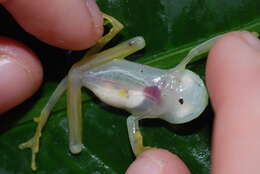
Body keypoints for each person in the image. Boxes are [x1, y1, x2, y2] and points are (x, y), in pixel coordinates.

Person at [1, 1, 260, 173]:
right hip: (92, 70)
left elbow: (131, 123)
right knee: (104, 59)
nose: (172, 88)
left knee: (79, 88)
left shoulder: (149, 108)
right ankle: (38, 130)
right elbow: (194, 52)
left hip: (90, 76)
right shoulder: (169, 79)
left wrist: (140, 149)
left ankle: (37, 131)